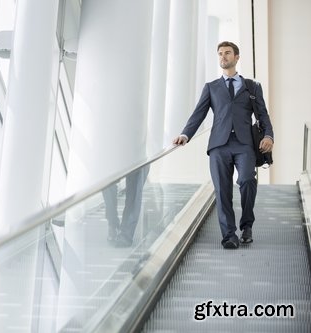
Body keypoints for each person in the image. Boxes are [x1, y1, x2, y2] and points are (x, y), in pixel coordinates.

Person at [172, 41, 274, 249]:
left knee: (247, 181)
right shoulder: (211, 87)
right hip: (219, 145)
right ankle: (229, 235)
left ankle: (247, 225)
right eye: (220, 54)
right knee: (222, 190)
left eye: (227, 53)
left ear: (237, 57)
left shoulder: (252, 86)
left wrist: (269, 136)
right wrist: (185, 134)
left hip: (244, 144)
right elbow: (198, 114)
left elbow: (262, 115)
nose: (223, 57)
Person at [103, 165, 149, 248]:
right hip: (113, 154)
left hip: (138, 155)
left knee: (135, 186)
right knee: (106, 179)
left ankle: (126, 234)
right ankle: (113, 224)